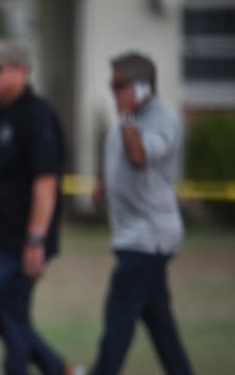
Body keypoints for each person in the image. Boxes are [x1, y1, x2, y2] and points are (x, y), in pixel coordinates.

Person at [0, 41, 77, 375]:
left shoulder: (38, 115)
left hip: (20, 240)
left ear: (22, 71)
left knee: (15, 319)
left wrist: (36, 240)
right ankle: (56, 367)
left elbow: (46, 182)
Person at [89, 52, 193, 375]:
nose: (113, 90)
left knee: (118, 317)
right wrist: (105, 184)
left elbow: (138, 156)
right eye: (112, 83)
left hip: (149, 236)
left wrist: (128, 116)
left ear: (143, 86)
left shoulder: (162, 119)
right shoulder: (127, 119)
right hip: (130, 232)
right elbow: (122, 161)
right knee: (159, 321)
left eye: (119, 84)